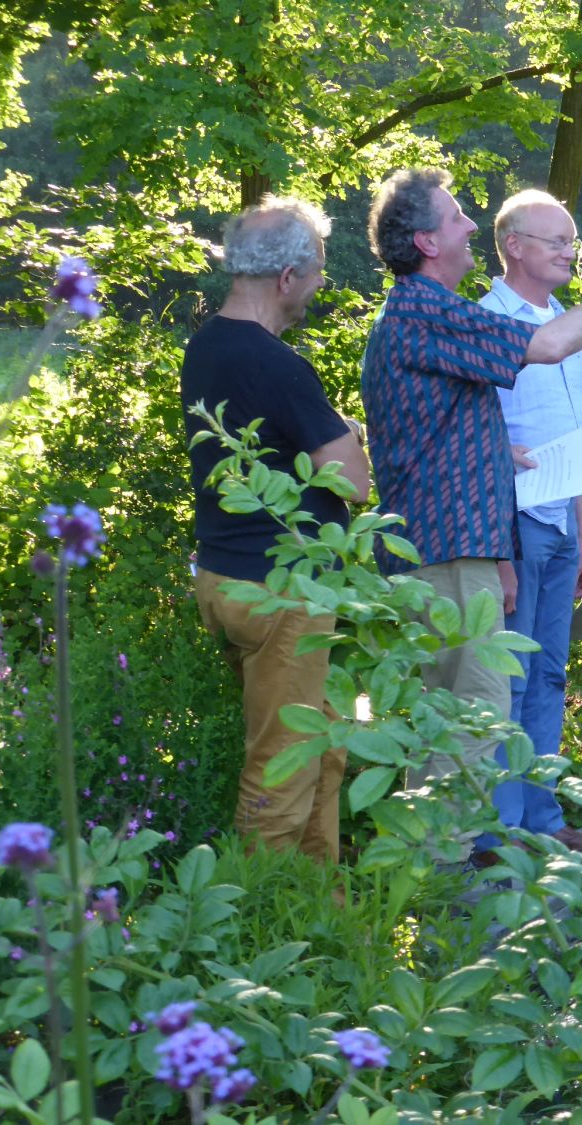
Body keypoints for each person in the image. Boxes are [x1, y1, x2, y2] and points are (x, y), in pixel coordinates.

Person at [360, 170, 582, 862]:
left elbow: (442, 427)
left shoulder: (434, 312)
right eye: (457, 217)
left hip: (471, 540)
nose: (470, 227)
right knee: (475, 708)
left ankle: (505, 840)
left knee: (493, 697)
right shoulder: (425, 309)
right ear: (426, 241)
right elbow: (547, 346)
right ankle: (457, 870)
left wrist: (496, 452)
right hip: (448, 546)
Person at [181, 196, 371, 864]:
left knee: (323, 741)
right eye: (316, 271)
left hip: (227, 575)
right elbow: (354, 482)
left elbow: (275, 447)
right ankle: (258, 906)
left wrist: (330, 435)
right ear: (288, 276)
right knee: (284, 760)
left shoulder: (205, 346)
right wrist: (348, 435)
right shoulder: (279, 364)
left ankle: (316, 895)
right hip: (282, 590)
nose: (318, 285)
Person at [477, 189, 582, 855]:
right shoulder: (486, 322)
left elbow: (575, 436)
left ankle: (544, 819)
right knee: (508, 677)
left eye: (571, 241)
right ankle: (500, 832)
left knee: (551, 674)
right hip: (516, 524)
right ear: (514, 246)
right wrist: (499, 550)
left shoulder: (563, 322)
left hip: (562, 525)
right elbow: (479, 442)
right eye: (556, 241)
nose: (569, 252)